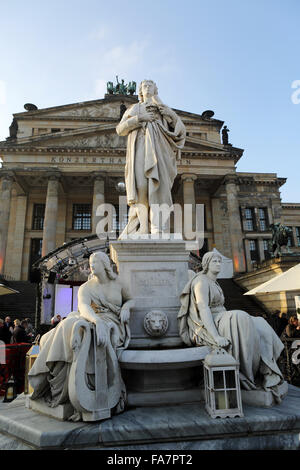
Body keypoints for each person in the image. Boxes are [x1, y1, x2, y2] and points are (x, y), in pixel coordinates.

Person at [28, 251, 134, 420]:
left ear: (105, 265)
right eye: (91, 262)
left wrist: (127, 307)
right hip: (92, 317)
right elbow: (84, 307)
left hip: (113, 322)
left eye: (95, 262)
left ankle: (73, 389)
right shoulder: (86, 287)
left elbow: (130, 299)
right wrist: (97, 321)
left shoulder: (118, 283)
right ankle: (56, 381)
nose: (91, 266)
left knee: (77, 328)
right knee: (68, 325)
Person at [178, 251, 286, 402]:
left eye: (219, 261)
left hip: (223, 317)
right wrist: (215, 336)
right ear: (206, 264)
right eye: (215, 261)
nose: (218, 264)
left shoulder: (215, 282)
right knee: (239, 316)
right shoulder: (201, 281)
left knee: (260, 322)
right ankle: (249, 375)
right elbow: (203, 308)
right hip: (210, 323)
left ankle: (268, 371)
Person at [116, 79, 186, 236]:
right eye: (144, 86)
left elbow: (179, 129)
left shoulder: (163, 109)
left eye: (150, 85)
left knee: (157, 187)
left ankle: (157, 225)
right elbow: (120, 129)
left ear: (156, 89)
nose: (147, 88)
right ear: (140, 91)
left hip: (159, 151)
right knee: (141, 186)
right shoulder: (134, 108)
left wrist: (164, 110)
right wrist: (140, 119)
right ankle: (143, 227)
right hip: (140, 148)